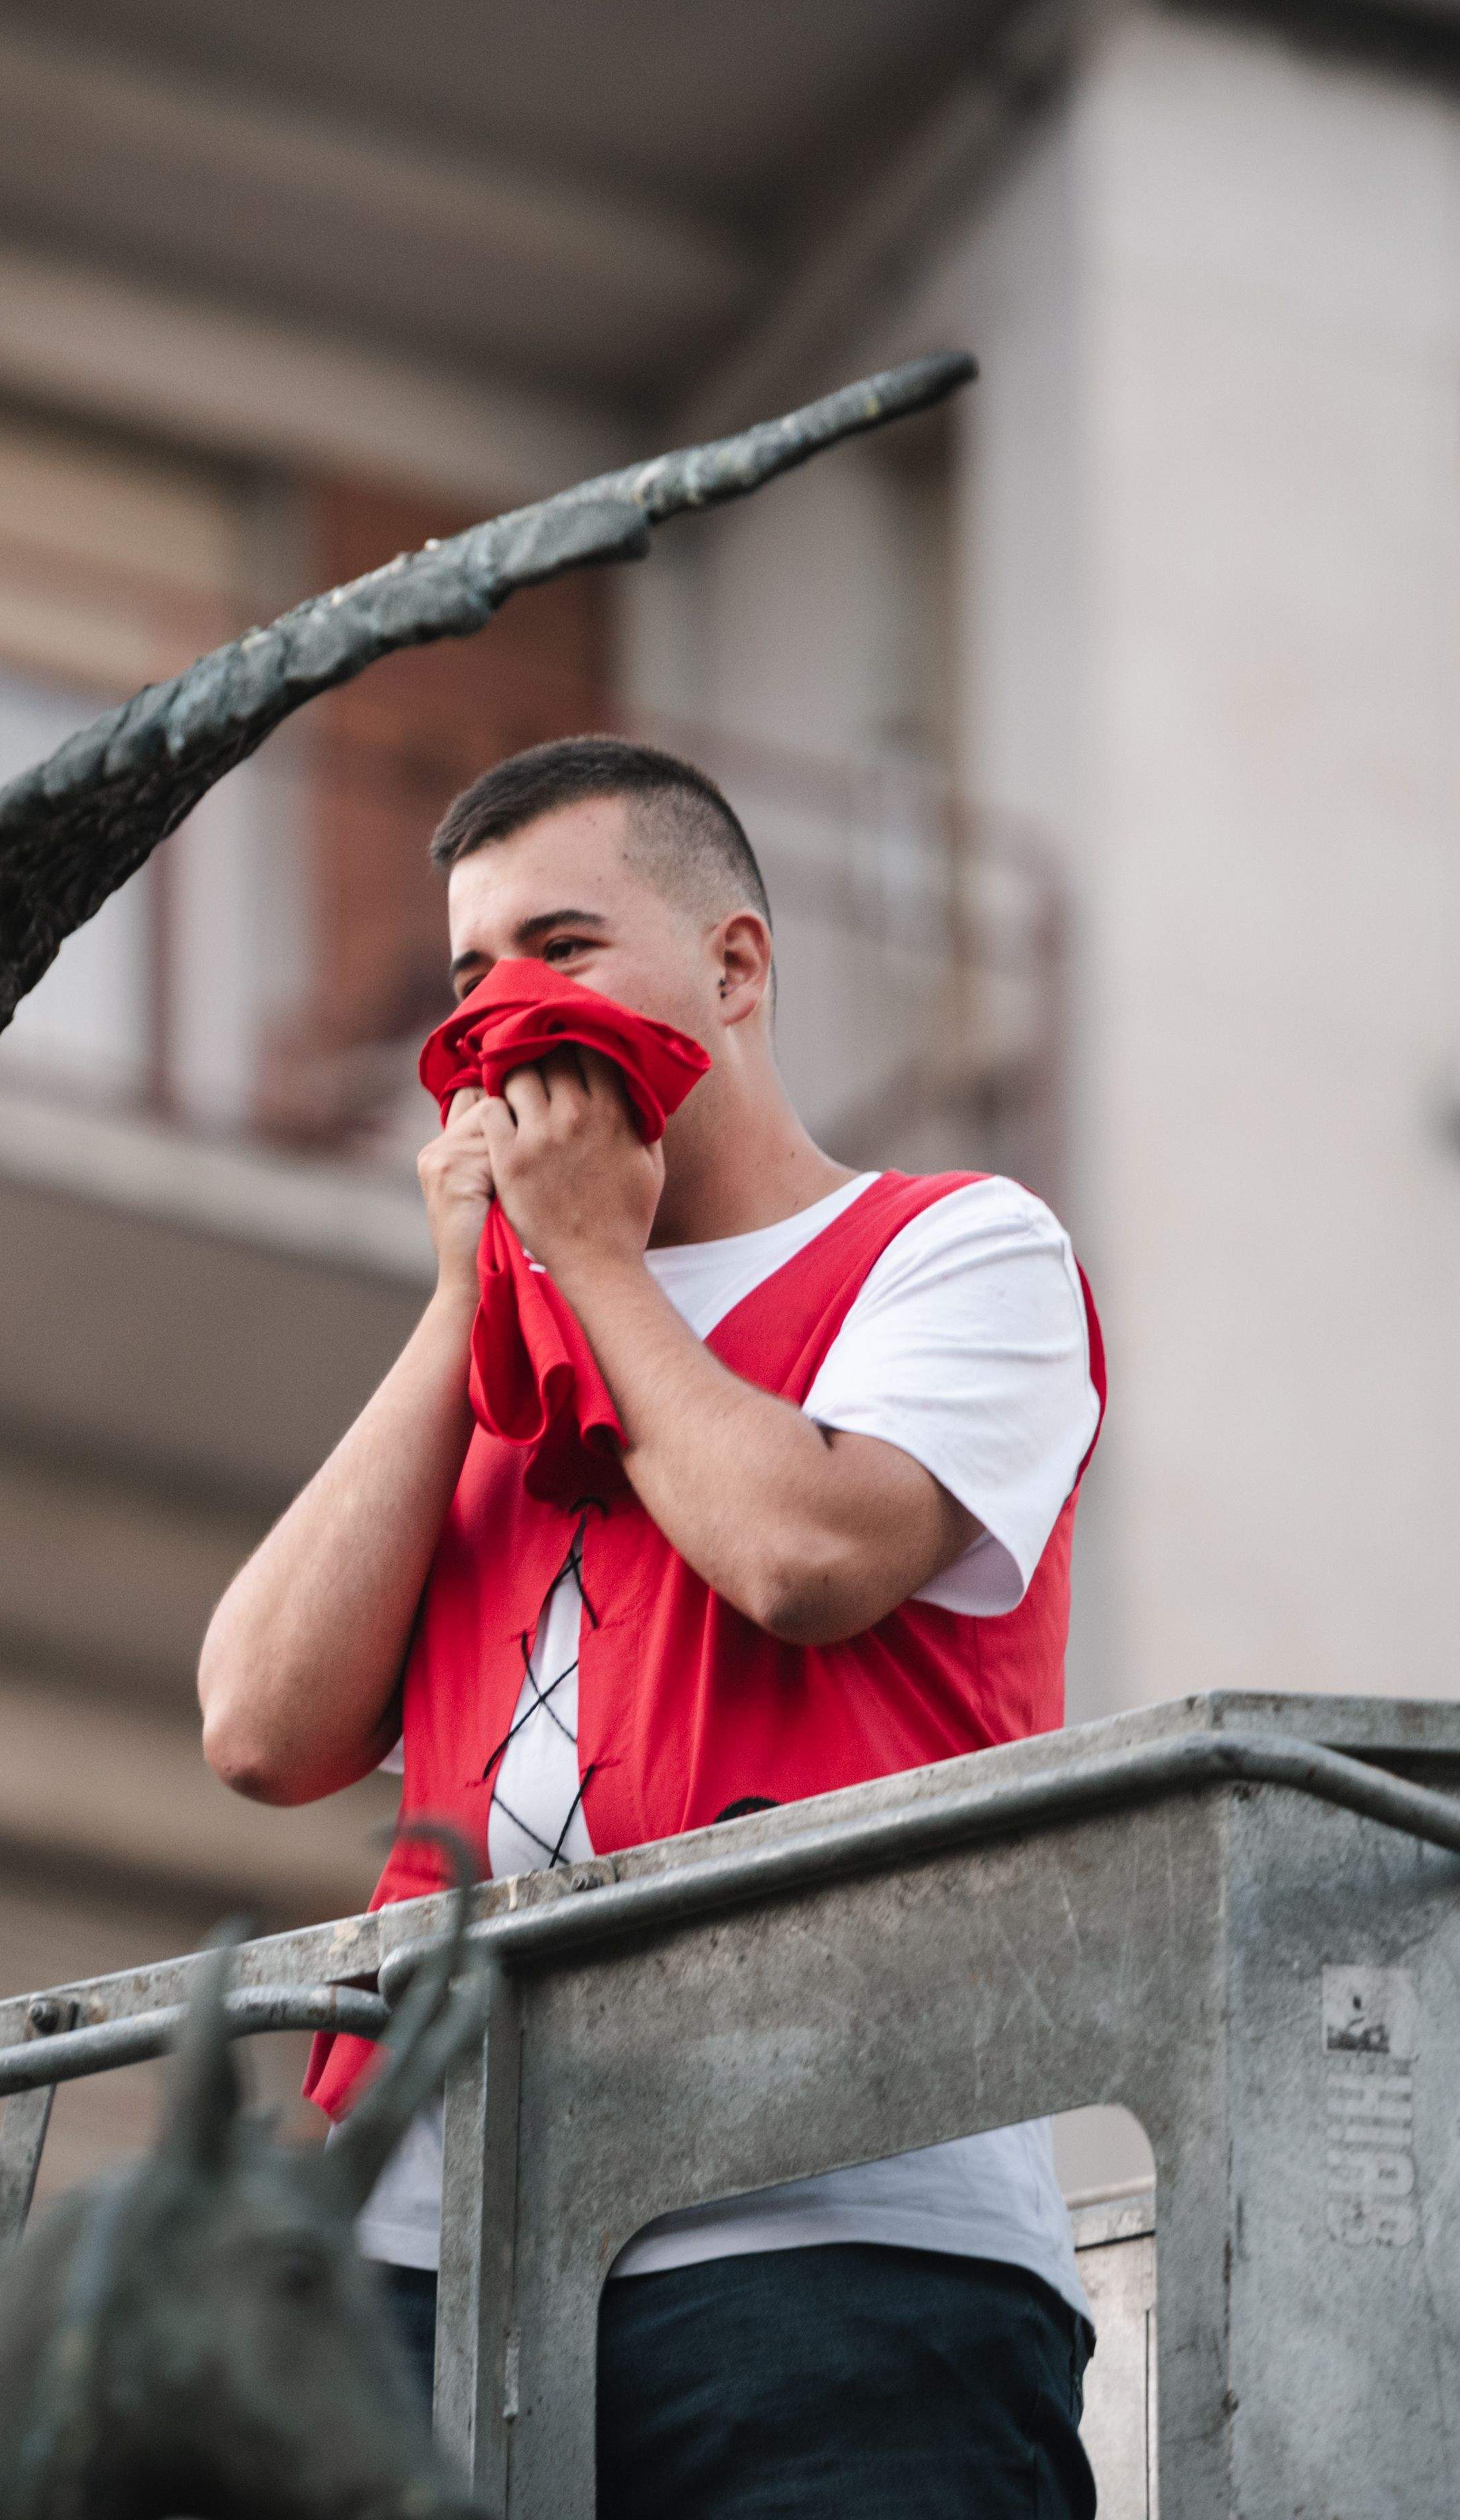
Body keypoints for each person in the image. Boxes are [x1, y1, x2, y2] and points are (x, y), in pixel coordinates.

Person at [199, 736, 1105, 2519]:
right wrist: (473, 1298)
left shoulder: (959, 1250)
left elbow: (806, 1557)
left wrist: (597, 1266)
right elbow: (261, 1724)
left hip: (840, 2235)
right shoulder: (492, 1349)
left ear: (735, 968)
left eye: (565, 948)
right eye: (471, 979)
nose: (508, 1020)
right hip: (426, 2256)